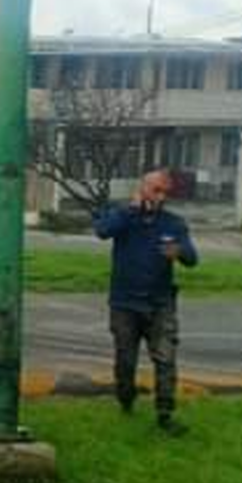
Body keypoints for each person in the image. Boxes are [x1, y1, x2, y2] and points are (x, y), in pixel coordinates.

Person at [93, 169, 199, 435]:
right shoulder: (123, 216)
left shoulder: (173, 223)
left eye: (165, 192)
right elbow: (103, 231)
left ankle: (165, 414)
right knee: (125, 359)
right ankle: (126, 400)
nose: (161, 197)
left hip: (160, 302)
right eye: (156, 190)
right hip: (125, 303)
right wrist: (131, 210)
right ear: (142, 189)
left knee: (165, 358)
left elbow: (192, 258)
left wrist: (180, 252)